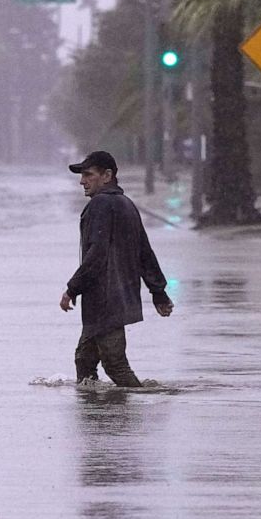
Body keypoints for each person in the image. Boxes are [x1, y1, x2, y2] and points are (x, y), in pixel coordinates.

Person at [59, 151, 174, 387]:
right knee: (84, 360)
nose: (82, 181)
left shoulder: (100, 205)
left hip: (105, 300)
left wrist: (72, 289)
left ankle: (127, 418)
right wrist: (158, 292)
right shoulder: (126, 204)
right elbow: (145, 252)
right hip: (118, 297)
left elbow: (97, 254)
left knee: (115, 364)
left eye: (88, 175)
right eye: (82, 176)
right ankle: (96, 414)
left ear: (107, 175)